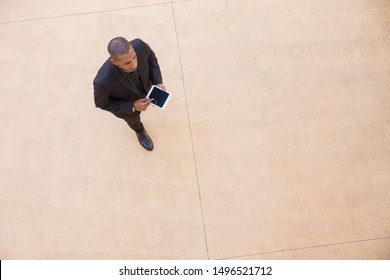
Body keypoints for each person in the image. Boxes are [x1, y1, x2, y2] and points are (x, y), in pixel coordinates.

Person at [93, 37, 166, 151]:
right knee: (134, 121)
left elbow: (151, 59)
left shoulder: (140, 46)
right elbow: (102, 104)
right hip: (128, 106)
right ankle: (140, 132)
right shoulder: (102, 82)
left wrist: (157, 82)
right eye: (127, 63)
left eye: (134, 57)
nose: (134, 64)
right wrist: (132, 106)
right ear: (114, 62)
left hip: (147, 87)